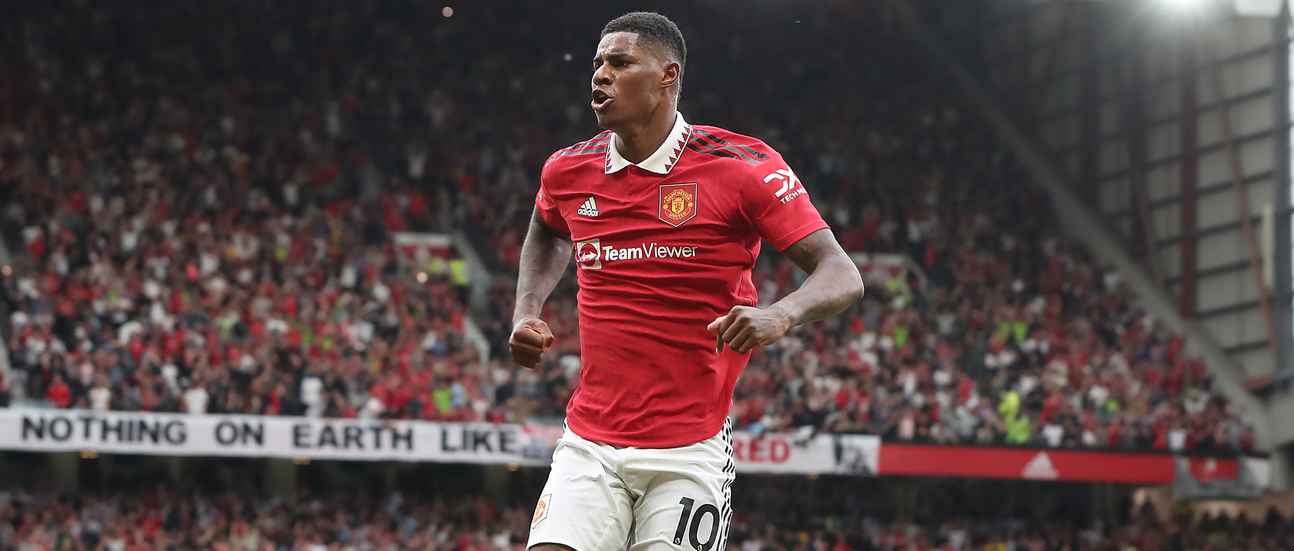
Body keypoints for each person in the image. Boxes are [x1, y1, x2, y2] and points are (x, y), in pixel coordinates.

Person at [509, 12, 864, 550]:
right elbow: (547, 230)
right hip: (590, 442)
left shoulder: (741, 165)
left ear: (667, 76)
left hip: (689, 450)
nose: (600, 75)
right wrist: (527, 311)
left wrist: (780, 314)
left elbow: (841, 272)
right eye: (597, 63)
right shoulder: (567, 169)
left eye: (620, 62)